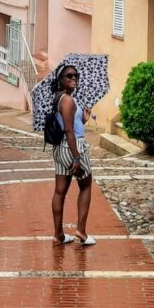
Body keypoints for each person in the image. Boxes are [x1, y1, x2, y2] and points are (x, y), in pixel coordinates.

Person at [50, 63, 95, 246]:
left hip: (60, 148)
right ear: (61, 80)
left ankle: (59, 235)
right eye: (69, 76)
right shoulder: (68, 101)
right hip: (73, 146)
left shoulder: (60, 98)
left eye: (75, 75)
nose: (73, 78)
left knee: (60, 191)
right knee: (86, 186)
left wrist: (83, 119)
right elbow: (69, 131)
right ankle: (81, 231)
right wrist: (77, 158)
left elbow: (71, 125)